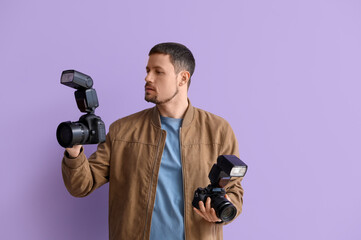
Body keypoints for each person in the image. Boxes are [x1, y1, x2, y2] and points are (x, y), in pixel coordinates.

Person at [62, 42, 244, 240]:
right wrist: (74, 152)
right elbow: (81, 186)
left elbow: (234, 190)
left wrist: (221, 213)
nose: (147, 78)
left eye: (158, 72)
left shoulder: (218, 131)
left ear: (183, 78)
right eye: (148, 70)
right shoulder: (122, 130)